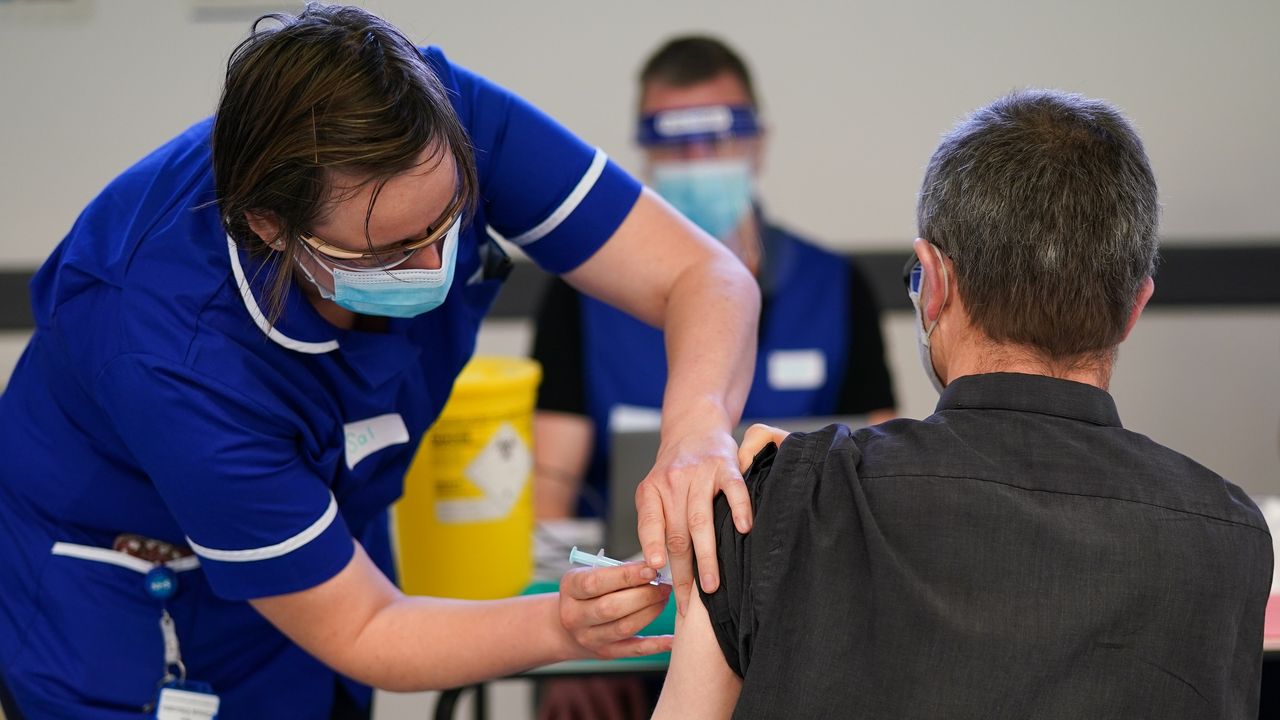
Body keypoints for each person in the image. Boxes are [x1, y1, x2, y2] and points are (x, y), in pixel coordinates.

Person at [0, 5, 761, 718]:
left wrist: (697, 429)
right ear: (270, 228)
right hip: (131, 606)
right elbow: (366, 627)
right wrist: (561, 625)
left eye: (449, 219)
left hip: (327, 542)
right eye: (393, 251)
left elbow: (706, 276)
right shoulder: (173, 355)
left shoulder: (432, 111)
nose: (436, 263)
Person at [653, 89, 1274, 718]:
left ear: (934, 283)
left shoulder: (780, 503)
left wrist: (794, 485)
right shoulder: (1231, 539)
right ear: (1135, 307)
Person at [531, 35, 895, 527]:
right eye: (676, 144)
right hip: (642, 569)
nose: (699, 162)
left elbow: (881, 481)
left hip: (804, 575)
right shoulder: (581, 293)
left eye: (716, 140)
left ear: (757, 143)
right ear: (647, 156)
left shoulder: (835, 287)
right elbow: (547, 500)